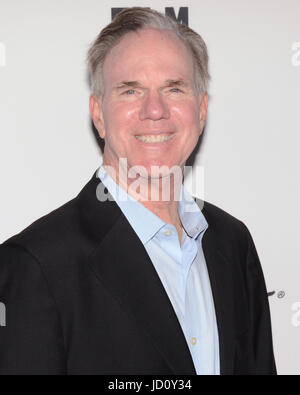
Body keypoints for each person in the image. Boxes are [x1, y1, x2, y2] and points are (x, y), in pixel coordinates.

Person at [0, 7, 276, 375]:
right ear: (98, 114)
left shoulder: (233, 244)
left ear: (202, 109)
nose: (155, 110)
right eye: (131, 90)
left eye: (173, 88)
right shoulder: (36, 264)